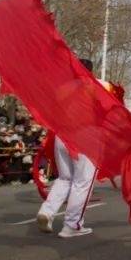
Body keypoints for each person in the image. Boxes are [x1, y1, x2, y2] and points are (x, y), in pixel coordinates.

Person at [36, 57, 101, 238]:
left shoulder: (62, 89)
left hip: (62, 136)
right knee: (83, 181)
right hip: (85, 135)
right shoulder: (96, 87)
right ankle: (71, 225)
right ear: (90, 70)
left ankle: (47, 212)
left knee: (65, 178)